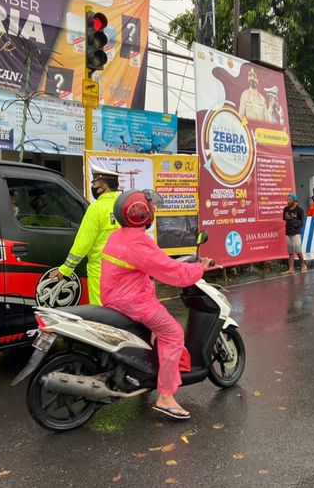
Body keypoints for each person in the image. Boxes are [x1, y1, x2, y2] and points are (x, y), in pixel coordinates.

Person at [100, 190, 213, 420]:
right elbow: (174, 274)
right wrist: (201, 267)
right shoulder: (139, 242)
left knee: (155, 331)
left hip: (114, 296)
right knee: (172, 334)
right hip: (134, 301)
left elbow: (157, 263)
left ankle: (144, 375)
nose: (153, 210)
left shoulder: (118, 235)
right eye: (149, 207)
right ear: (141, 214)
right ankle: (166, 397)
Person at [50, 167, 121, 305]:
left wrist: (66, 268)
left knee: (102, 311)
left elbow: (83, 242)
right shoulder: (124, 206)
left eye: (95, 184)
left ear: (102, 187)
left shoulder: (96, 208)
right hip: (124, 270)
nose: (93, 187)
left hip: (101, 271)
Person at [283, 193, 307, 274]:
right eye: (287, 200)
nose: (288, 201)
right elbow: (285, 220)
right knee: (290, 252)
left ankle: (303, 265)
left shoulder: (300, 210)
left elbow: (301, 223)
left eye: (290, 200)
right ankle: (291, 269)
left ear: (294, 201)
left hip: (296, 233)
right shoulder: (285, 209)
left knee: (298, 250)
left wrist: (294, 221)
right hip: (288, 232)